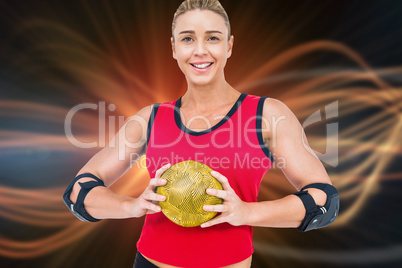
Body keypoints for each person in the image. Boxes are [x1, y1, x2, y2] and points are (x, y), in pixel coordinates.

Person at [63, 0, 339, 267]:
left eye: (213, 38)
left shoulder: (267, 114)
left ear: (229, 46)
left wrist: (246, 212)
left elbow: (325, 201)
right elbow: (79, 192)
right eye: (187, 39)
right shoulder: (150, 118)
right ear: (173, 48)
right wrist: (131, 207)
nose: (200, 51)